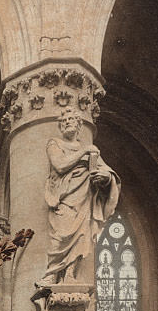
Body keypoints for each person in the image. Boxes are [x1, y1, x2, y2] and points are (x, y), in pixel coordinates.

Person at [42, 108, 120, 284]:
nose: (68, 122)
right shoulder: (55, 144)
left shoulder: (90, 150)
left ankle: (70, 275)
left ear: (78, 125)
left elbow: (105, 171)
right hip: (64, 199)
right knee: (60, 236)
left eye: (72, 120)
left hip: (84, 199)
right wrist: (84, 152)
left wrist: (106, 177)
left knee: (81, 237)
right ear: (61, 126)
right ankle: (52, 274)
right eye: (65, 120)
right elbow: (60, 165)